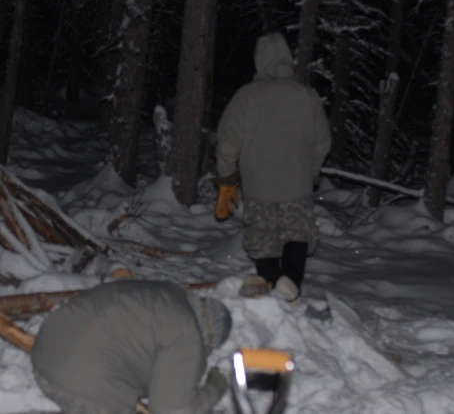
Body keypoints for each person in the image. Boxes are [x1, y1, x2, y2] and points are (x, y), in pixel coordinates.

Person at [214, 32, 331, 305]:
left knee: (263, 239)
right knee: (297, 233)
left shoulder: (246, 97)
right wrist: (311, 172)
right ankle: (289, 280)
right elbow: (323, 142)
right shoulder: (307, 95)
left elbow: (228, 142)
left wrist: (226, 178)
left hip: (259, 185)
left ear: (259, 61)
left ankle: (271, 287)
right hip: (297, 183)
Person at [31, 279, 233, 414]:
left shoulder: (167, 294)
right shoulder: (187, 330)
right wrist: (215, 387)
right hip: (79, 386)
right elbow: (172, 410)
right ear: (209, 335)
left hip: (44, 353)